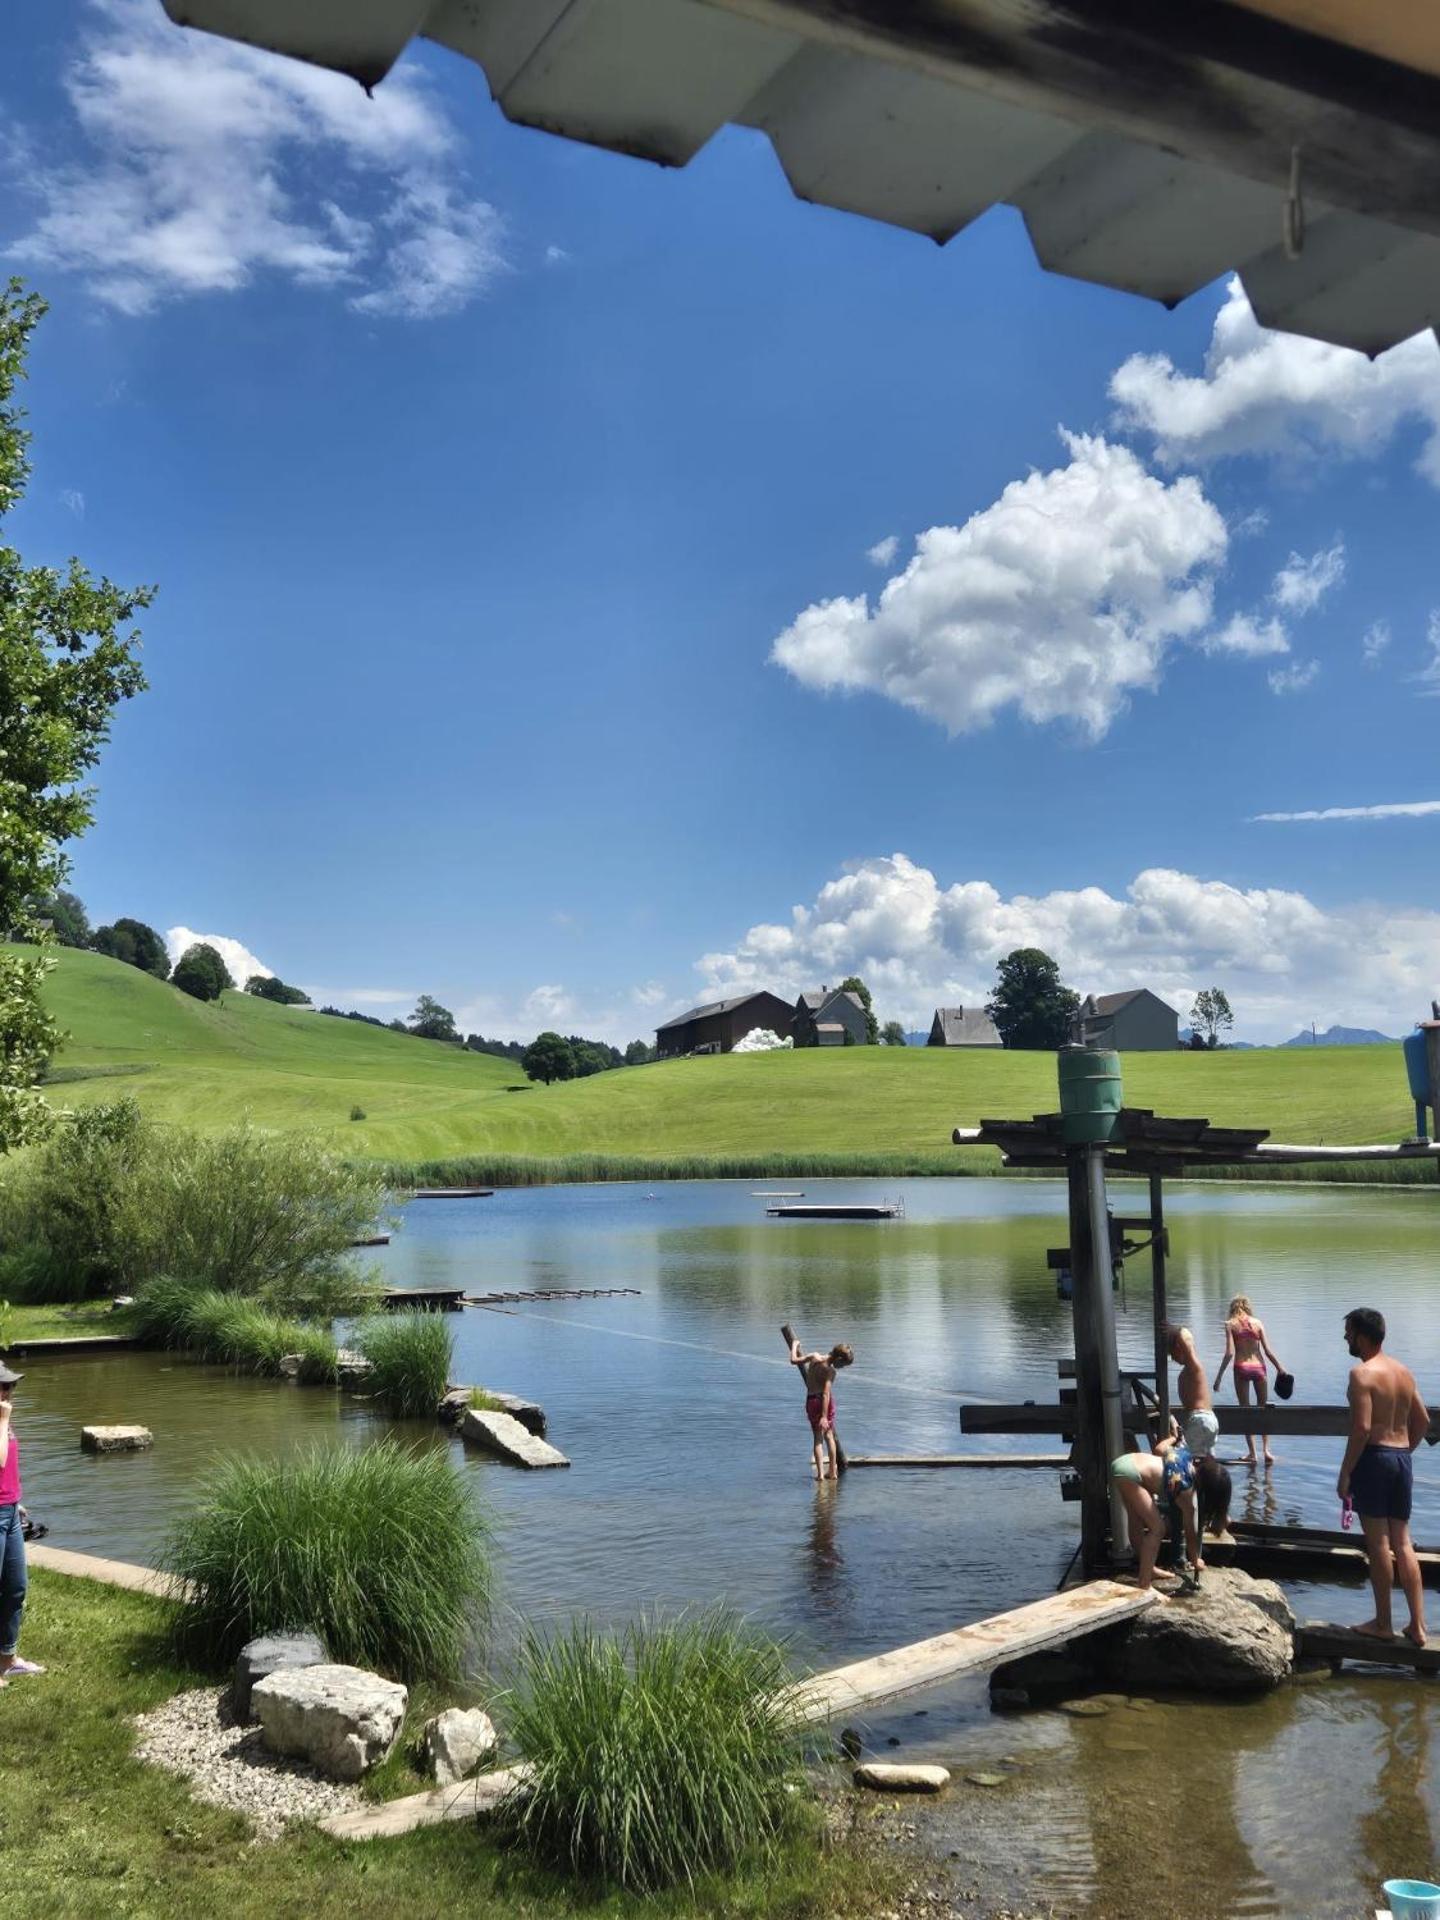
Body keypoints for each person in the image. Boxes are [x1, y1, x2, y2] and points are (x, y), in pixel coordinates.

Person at [1337, 1308, 1429, 1647]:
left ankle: (1383, 1623)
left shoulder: (1362, 1374)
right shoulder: (1404, 1372)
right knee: (1403, 1543)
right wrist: (1402, 1452)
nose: (1345, 1338)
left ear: (1362, 1336)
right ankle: (1418, 1627)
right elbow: (1423, 1422)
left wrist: (1346, 1472)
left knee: (1378, 1544)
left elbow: (1361, 1428)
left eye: (1348, 1332)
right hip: (1401, 1458)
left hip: (1374, 1459)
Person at [1110, 1428, 1231, 1591]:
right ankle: (1144, 1584)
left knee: (1135, 1519)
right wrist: (1195, 1560)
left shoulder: (1184, 1456)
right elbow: (1190, 1533)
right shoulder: (1187, 1491)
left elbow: (1159, 1449)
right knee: (1157, 1529)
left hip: (1125, 1462)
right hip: (1131, 1475)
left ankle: (1147, 1568)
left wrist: (1173, 1438)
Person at [0, 1362, 43, 1688]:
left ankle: (8, 1659)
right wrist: (3, 1419)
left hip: (9, 1510)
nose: (7, 1392)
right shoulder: (3, 1420)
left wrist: (16, 1499)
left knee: (16, 1587)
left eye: (9, 1386)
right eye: (2, 1387)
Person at [1215, 1293, 1286, 1467]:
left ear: (1232, 1308)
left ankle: (1253, 1454)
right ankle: (1267, 1451)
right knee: (1263, 1410)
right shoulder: (1258, 1323)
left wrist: (1218, 1377)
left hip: (1241, 1367)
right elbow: (1268, 1351)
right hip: (1259, 1368)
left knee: (1245, 1412)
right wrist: (1280, 1369)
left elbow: (1229, 1353)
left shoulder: (1230, 1324)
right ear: (1247, 1307)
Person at [785, 1329, 853, 1481]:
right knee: (828, 1436)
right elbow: (826, 1393)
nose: (842, 1368)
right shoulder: (830, 1371)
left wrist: (794, 1345)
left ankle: (821, 1475)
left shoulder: (814, 1357)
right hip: (824, 1404)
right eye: (844, 1365)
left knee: (817, 1438)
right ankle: (832, 1472)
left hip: (811, 1401)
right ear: (839, 1360)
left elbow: (793, 1360)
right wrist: (824, 1416)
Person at [1169, 1323, 1219, 1459]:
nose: (1172, 1358)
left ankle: (1192, 1479)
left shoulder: (1194, 1365)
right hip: (1208, 1420)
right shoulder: (1189, 1369)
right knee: (1206, 1461)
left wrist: (1173, 1330)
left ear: (1180, 1348)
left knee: (1190, 1460)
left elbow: (1187, 1347)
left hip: (1200, 1419)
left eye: (1172, 1353)